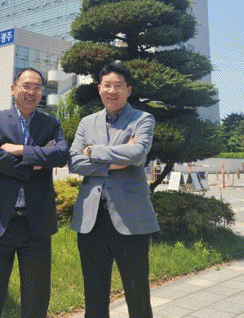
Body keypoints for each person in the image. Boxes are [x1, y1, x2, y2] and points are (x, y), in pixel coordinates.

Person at [0, 67, 69, 318]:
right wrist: (36, 160)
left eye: (37, 87)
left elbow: (60, 155)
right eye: (26, 86)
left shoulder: (50, 122)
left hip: (37, 224)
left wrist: (19, 150)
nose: (31, 92)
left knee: (36, 302)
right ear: (13, 89)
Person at [69, 62, 160, 318]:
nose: (112, 91)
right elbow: (74, 162)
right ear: (99, 89)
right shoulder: (87, 122)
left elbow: (137, 153)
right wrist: (117, 161)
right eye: (107, 85)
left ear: (128, 90)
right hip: (91, 219)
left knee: (137, 293)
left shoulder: (142, 119)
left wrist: (93, 151)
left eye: (118, 85)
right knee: (94, 294)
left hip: (131, 219)